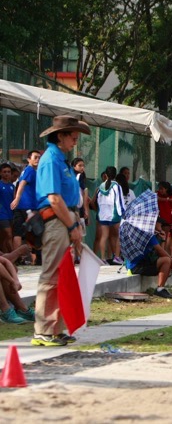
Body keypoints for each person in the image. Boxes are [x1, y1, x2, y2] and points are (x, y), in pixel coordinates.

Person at [33, 115, 90, 346]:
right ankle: (43, 330)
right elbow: (54, 199)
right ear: (60, 136)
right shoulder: (50, 160)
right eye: (72, 136)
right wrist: (73, 226)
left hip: (65, 219)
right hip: (57, 220)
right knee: (51, 274)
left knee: (62, 274)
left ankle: (55, 328)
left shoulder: (61, 160)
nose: (75, 140)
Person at [124, 220, 172, 299]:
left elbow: (159, 251)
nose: (161, 226)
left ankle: (160, 288)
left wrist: (162, 239)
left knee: (166, 260)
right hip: (137, 266)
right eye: (160, 224)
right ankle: (160, 289)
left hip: (137, 265)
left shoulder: (139, 231)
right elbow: (160, 251)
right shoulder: (147, 234)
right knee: (167, 260)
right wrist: (171, 260)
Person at [11, 150, 41, 259]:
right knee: (37, 232)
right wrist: (17, 198)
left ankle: (16, 258)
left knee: (18, 233)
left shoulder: (27, 171)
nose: (37, 159)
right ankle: (37, 258)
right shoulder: (30, 170)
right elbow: (22, 184)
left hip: (21, 206)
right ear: (29, 159)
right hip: (29, 207)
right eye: (35, 157)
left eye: (39, 157)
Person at [96, 166, 125, 264]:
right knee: (120, 235)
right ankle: (117, 257)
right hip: (114, 214)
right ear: (115, 175)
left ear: (105, 175)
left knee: (104, 236)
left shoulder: (101, 186)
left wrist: (101, 212)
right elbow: (119, 201)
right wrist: (123, 213)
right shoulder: (117, 186)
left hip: (103, 214)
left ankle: (103, 258)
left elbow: (98, 200)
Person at [71, 157, 90, 237]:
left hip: (72, 207)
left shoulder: (71, 175)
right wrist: (86, 210)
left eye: (83, 165)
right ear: (74, 166)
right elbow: (84, 194)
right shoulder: (79, 176)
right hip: (77, 208)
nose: (82, 167)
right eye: (80, 165)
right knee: (79, 234)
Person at [0, 163, 15, 253]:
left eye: (8, 172)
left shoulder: (12, 186)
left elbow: (14, 199)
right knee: (9, 234)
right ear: (0, 173)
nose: (7, 174)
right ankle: (16, 255)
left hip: (11, 214)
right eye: (4, 172)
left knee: (4, 238)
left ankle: (6, 257)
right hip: (2, 214)